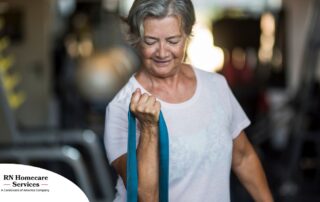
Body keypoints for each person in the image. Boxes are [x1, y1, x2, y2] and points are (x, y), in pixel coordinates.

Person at [104, 0, 274, 201]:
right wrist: (149, 129)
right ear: (136, 38)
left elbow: (243, 156)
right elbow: (146, 195)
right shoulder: (121, 107)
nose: (162, 52)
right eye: (150, 41)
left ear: (187, 35)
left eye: (173, 40)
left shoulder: (216, 86)